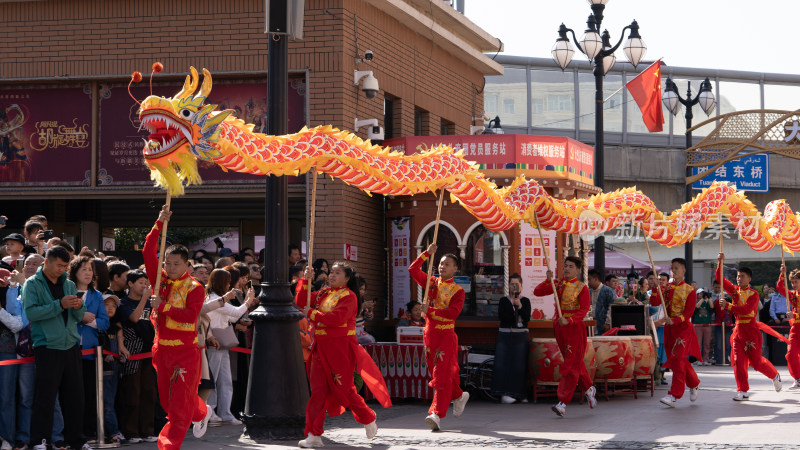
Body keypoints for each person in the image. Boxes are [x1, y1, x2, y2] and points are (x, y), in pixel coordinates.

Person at [296, 262, 389, 448]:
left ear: (347, 278)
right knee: (318, 392)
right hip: (320, 347)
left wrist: (313, 314)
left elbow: (336, 319)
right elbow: (300, 301)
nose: (332, 275)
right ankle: (314, 434)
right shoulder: (323, 293)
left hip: (340, 348)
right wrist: (305, 281)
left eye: (337, 273)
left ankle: (367, 417)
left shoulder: (350, 296)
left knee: (344, 389)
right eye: (331, 272)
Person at [144, 205, 211, 449]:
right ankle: (202, 412)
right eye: (167, 263)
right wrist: (159, 223)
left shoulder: (195, 288)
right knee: (168, 402)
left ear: (186, 264)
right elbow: (147, 251)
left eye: (175, 264)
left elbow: (190, 316)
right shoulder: (160, 280)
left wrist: (163, 307)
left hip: (185, 351)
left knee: (179, 409)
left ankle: (168, 446)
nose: (170, 268)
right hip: (161, 349)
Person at [22, 246, 88, 450]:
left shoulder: (69, 284)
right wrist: (60, 304)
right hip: (48, 347)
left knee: (75, 398)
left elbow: (79, 315)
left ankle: (76, 441)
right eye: (58, 265)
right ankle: (39, 441)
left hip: (71, 345)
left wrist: (78, 306)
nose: (62, 269)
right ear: (47, 262)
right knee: (45, 398)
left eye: (65, 266)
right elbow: (32, 314)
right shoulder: (31, 285)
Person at [409, 244, 469, 430]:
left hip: (446, 335)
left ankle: (436, 413)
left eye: (447, 264)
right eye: (441, 263)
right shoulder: (431, 283)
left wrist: (431, 310)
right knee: (438, 373)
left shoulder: (458, 291)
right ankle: (458, 395)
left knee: (441, 375)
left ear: (455, 268)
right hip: (430, 335)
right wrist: (427, 253)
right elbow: (413, 269)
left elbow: (452, 314)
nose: (442, 266)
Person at [533, 256, 596, 417]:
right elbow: (537, 292)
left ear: (578, 270)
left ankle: (562, 402)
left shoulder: (582, 287)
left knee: (570, 365)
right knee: (575, 362)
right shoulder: (558, 284)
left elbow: (584, 309)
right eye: (565, 266)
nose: (567, 269)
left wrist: (570, 320)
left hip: (574, 328)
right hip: (560, 327)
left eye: (570, 266)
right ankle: (589, 388)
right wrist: (548, 281)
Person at [716, 253, 781, 401]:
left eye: (743, 276)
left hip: (751, 331)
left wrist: (728, 305)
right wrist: (720, 262)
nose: (739, 278)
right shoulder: (733, 290)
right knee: (739, 362)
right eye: (738, 276)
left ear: (749, 279)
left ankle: (774, 375)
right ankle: (742, 390)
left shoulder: (753, 294)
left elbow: (746, 310)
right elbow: (720, 278)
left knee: (757, 363)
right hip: (738, 331)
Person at [205, 269, 257, 425]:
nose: (229, 285)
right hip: (214, 341)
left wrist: (245, 304)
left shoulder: (221, 299)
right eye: (227, 282)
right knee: (213, 380)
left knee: (225, 380)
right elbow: (236, 312)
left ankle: (225, 412)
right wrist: (248, 301)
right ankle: (211, 411)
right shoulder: (214, 299)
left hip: (223, 341)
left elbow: (233, 315)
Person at [650, 258, 702, 408]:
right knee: (676, 361)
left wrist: (675, 320)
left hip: (683, 329)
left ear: (684, 270)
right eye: (672, 268)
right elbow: (654, 303)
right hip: (669, 329)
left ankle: (674, 394)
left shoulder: (690, 291)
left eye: (677, 268)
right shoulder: (666, 287)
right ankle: (694, 383)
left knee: (679, 359)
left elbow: (688, 313)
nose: (674, 270)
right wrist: (655, 288)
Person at [68, 256, 110, 438]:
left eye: (90, 269)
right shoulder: (66, 291)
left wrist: (89, 320)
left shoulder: (97, 295)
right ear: (74, 271)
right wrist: (81, 316)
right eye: (83, 269)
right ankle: (71, 431)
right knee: (71, 393)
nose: (87, 273)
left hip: (91, 352)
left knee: (90, 393)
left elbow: (104, 322)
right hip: (69, 347)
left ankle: (89, 430)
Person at [117, 270, 157, 445]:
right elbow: (133, 318)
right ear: (130, 284)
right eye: (141, 282)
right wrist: (144, 299)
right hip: (133, 352)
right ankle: (130, 431)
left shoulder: (150, 302)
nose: (144, 286)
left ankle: (147, 430)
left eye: (146, 282)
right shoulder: (123, 303)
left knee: (149, 392)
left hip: (150, 352)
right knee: (132, 392)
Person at [492, 273, 530, 404]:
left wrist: (519, 305)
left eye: (517, 284)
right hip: (505, 333)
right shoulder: (504, 300)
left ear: (521, 286)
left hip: (520, 335)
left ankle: (520, 393)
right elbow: (503, 318)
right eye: (512, 284)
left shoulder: (525, 300)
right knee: (503, 364)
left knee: (519, 365)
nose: (514, 287)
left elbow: (527, 318)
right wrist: (513, 306)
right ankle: (504, 393)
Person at [0, 268, 23, 450]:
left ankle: (7, 438)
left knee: (6, 396)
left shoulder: (13, 296)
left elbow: (17, 325)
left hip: (7, 351)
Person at [777, 264, 800, 389]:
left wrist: (795, 315)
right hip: (795, 330)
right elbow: (780, 287)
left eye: (796, 282)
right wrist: (782, 274)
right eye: (792, 282)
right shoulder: (792, 295)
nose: (793, 284)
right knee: (790, 355)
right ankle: (798, 379)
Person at [712, 280, 734, 365]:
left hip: (728, 325)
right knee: (718, 343)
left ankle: (727, 358)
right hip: (718, 324)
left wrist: (727, 304)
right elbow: (720, 313)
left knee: (728, 343)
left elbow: (731, 312)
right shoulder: (717, 302)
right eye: (716, 287)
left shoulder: (728, 301)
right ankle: (719, 359)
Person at [588, 269, 615, 333]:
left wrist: (608, 323)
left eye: (589, 279)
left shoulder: (608, 291)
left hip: (604, 325)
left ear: (595, 279)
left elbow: (612, 307)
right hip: (591, 325)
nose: (588, 282)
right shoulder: (589, 291)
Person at [693, 290, 714, 366]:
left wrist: (709, 298)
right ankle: (699, 359)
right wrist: (702, 299)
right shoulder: (695, 302)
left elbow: (712, 307)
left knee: (707, 343)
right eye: (700, 293)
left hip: (707, 325)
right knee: (698, 344)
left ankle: (705, 359)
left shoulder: (707, 303)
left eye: (703, 293)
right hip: (698, 325)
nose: (702, 295)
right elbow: (697, 306)